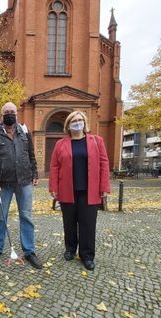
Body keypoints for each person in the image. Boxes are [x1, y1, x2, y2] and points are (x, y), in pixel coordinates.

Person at [49, 111, 110, 271]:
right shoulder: (60, 144)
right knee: (69, 223)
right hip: (67, 189)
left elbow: (104, 164)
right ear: (68, 125)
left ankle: (87, 255)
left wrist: (104, 187)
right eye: (73, 121)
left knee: (88, 224)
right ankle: (70, 249)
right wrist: (53, 187)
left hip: (89, 191)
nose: (77, 123)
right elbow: (54, 166)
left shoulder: (96, 141)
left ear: (84, 122)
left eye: (79, 120)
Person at [0, 102, 43, 269]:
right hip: (3, 184)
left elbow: (31, 154)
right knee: (1, 217)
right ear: (1, 116)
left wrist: (35, 173)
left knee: (26, 216)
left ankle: (29, 251)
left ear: (17, 115)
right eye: (6, 112)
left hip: (24, 181)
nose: (10, 114)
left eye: (12, 112)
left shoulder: (24, 132)